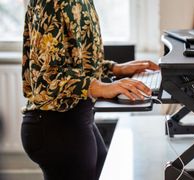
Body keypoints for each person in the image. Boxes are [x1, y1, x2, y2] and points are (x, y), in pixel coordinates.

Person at [21, 0, 159, 180]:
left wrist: (114, 68)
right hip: (55, 123)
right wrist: (100, 87)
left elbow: (77, 60)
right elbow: (46, 78)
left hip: (76, 117)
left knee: (100, 162)